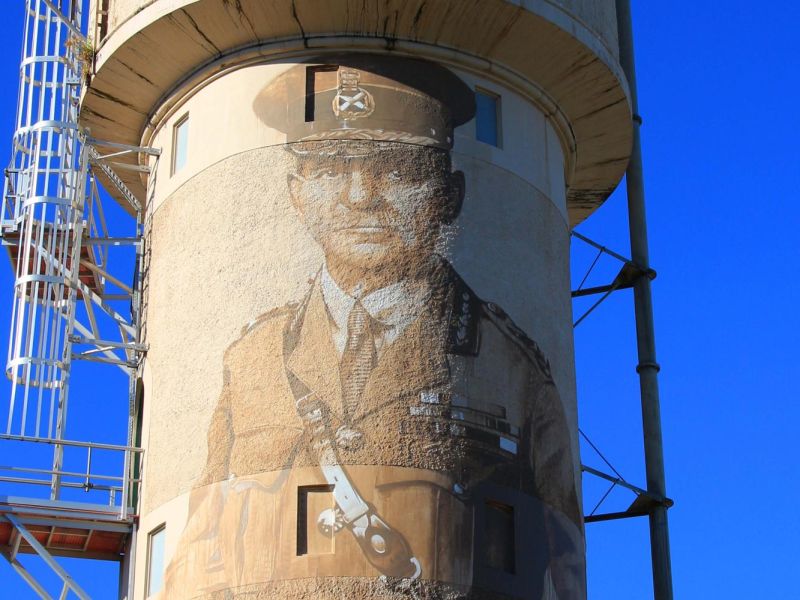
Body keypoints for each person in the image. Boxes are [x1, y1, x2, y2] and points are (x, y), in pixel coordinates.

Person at [163, 55, 584, 599]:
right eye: (333, 168)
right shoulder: (252, 361)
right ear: (297, 195)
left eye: (395, 169)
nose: (360, 196)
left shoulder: (514, 373)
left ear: (447, 195)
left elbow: (564, 569)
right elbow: (196, 561)